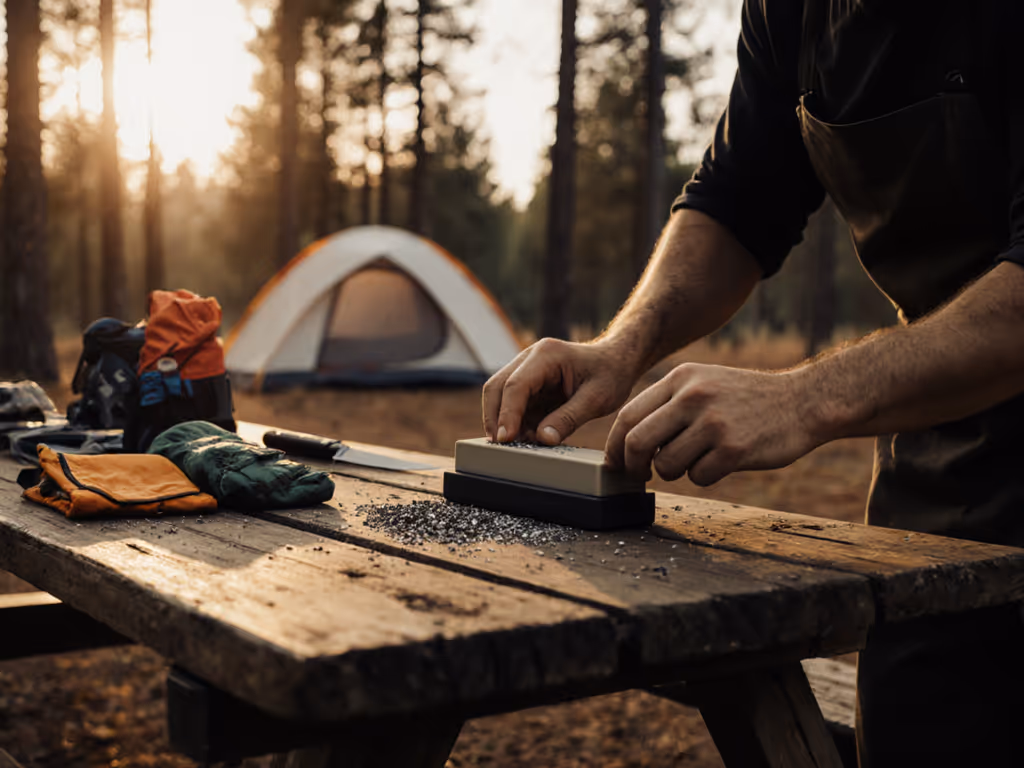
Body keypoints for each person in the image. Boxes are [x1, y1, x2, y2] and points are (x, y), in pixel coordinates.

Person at [482, 1, 1024, 765]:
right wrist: (621, 346)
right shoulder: (791, 10)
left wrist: (804, 398)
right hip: (942, 469)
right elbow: (738, 199)